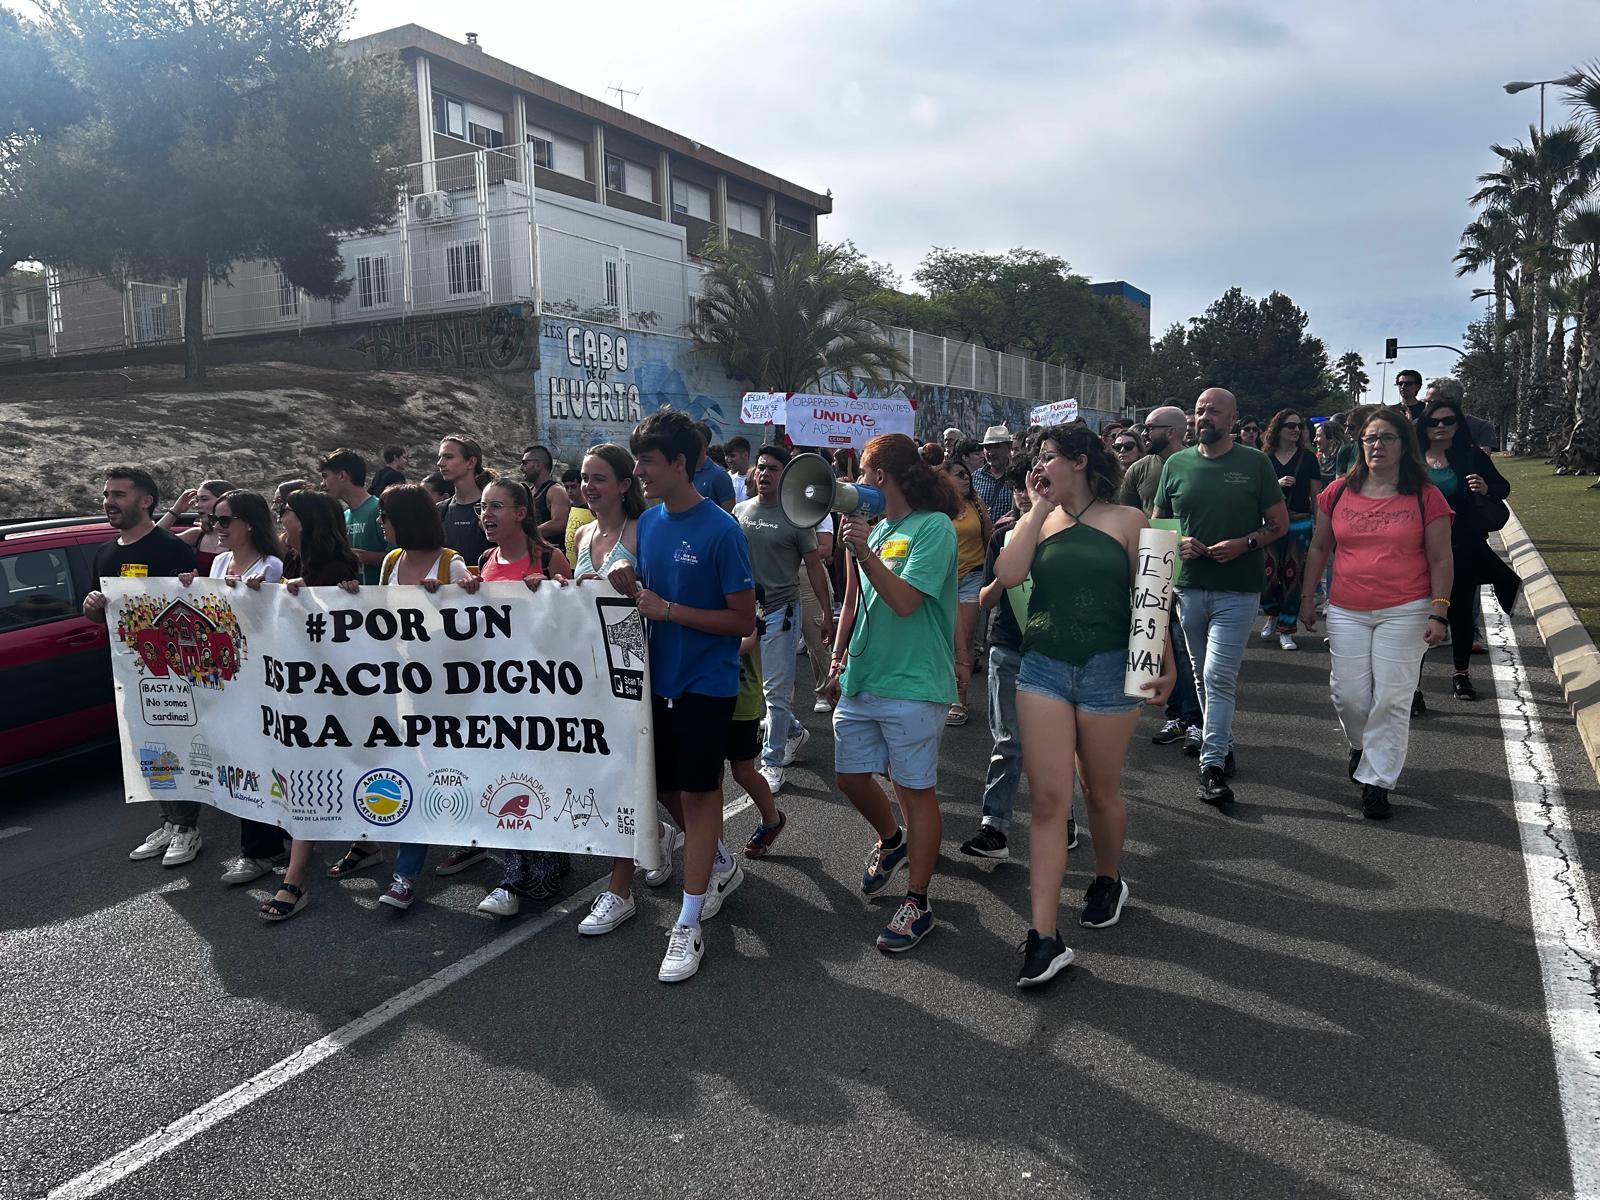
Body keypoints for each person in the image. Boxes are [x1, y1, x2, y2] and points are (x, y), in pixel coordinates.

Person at [996, 424, 1174, 986]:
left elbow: (1153, 598)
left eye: (1047, 457)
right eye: (1036, 458)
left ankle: (1107, 877)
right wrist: (1033, 509)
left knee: (1100, 790)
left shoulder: (1128, 520)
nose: (1038, 465)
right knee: (1049, 801)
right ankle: (1044, 937)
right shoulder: (1039, 520)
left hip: (1109, 670)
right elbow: (1008, 575)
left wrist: (1162, 663)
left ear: (1077, 460)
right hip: (1043, 666)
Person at [587, 412, 756, 984]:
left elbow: (740, 620)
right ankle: (718, 864)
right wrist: (631, 586)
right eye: (636, 462)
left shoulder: (723, 530)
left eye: (648, 462)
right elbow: (651, 598)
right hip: (655, 681)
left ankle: (687, 921)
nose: (639, 472)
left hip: (706, 685)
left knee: (700, 794)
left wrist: (670, 611)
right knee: (659, 787)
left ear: (681, 464)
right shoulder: (651, 525)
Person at [824, 433, 959, 954]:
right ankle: (893, 839)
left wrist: (861, 550)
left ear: (880, 476)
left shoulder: (935, 528)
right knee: (850, 777)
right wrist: (837, 660)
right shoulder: (879, 532)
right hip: (864, 676)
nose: (857, 483)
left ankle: (918, 902)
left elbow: (904, 601)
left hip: (914, 683)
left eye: (862, 472)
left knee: (913, 790)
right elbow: (854, 602)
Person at [1298, 408, 1454, 820]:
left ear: (1404, 445)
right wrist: (1307, 597)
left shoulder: (1426, 495)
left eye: (1388, 438)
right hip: (1348, 608)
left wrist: (1439, 611)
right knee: (1348, 695)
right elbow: (1319, 548)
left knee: (1392, 697)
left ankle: (1377, 782)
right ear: (1359, 444)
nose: (1378, 446)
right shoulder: (1337, 492)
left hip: (1406, 608)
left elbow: (1441, 557)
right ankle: (1361, 747)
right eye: (1371, 438)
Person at [336, 484, 474, 909]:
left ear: (406, 520)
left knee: (456, 769)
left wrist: (464, 593)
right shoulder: (393, 561)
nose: (380, 525)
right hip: (402, 690)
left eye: (386, 518)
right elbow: (380, 616)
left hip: (451, 695)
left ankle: (474, 839)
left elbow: (481, 624)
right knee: (412, 773)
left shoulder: (452, 564)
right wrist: (352, 597)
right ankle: (405, 873)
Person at [1153, 387, 1289, 807]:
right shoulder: (1176, 464)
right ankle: (1223, 742)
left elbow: (1278, 524)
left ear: (1232, 420)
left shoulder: (1255, 463)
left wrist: (1245, 543)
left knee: (1217, 676)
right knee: (1199, 674)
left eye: (1213, 410)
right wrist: (1178, 544)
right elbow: (1158, 525)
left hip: (1238, 589)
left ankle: (1210, 765)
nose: (1204, 416)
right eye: (1199, 410)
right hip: (1189, 586)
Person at [250, 491, 362, 921]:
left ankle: (294, 881)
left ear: (307, 521)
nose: (281, 519)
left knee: (310, 777)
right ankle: (368, 840)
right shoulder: (292, 563)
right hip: (300, 691)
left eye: (287, 513)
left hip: (328, 693)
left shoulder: (333, 567)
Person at [83, 466, 201, 867]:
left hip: (172, 674)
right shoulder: (104, 553)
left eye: (118, 494)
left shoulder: (171, 548)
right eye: (106, 494)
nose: (108, 502)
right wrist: (92, 608)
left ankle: (188, 827)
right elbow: (102, 614)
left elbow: (194, 612)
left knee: (176, 746)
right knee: (148, 750)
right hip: (128, 673)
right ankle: (168, 820)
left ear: (145, 500)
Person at [960, 473, 1081, 861]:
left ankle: (1062, 815)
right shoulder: (1003, 537)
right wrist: (1002, 578)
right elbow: (985, 601)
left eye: (1044, 485)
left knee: (1054, 744)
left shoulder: (1067, 535)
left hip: (1054, 651)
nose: (1030, 496)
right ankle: (994, 826)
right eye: (1024, 488)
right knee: (1008, 741)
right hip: (1008, 648)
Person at [172, 490, 290, 887]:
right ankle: (272, 840)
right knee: (240, 762)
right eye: (214, 520)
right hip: (227, 678)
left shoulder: (270, 564)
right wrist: (192, 586)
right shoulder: (222, 561)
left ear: (249, 523)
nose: (216, 527)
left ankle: (261, 849)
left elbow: (261, 621)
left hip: (260, 680)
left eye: (225, 521)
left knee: (256, 762)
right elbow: (210, 614)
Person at [473, 478, 575, 918]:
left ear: (520, 512)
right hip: (498, 695)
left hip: (545, 695)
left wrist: (552, 595)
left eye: (497, 506)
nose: (487, 515)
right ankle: (513, 872)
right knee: (506, 779)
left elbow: (577, 626)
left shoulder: (550, 559)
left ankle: (551, 861)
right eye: (482, 507)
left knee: (542, 778)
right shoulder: (484, 561)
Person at [735, 444, 835, 792]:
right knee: (762, 693)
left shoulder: (796, 519)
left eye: (773, 468)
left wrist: (825, 614)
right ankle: (793, 731)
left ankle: (772, 762)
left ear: (785, 475)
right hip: (746, 614)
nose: (764, 474)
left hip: (782, 613)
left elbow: (814, 567)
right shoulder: (739, 511)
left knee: (775, 693)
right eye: (761, 467)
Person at [1416, 393, 1519, 703]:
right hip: (1417, 546)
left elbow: (1503, 487)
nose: (1441, 426)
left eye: (1449, 420)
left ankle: (1461, 674)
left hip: (1462, 544)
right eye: (1434, 421)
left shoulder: (1471, 455)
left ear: (1458, 425)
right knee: (1418, 614)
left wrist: (1486, 488)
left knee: (1458, 611)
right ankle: (1412, 686)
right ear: (1425, 426)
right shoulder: (1412, 457)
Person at [1116, 405, 1204, 751]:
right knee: (1157, 644)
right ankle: (1176, 716)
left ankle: (1198, 721)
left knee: (1186, 651)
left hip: (1192, 569)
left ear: (1172, 431)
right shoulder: (1139, 468)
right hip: (1152, 565)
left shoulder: (1197, 462)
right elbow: (1123, 512)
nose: (1142, 435)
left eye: (1150, 428)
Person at [1258, 408, 1323, 651]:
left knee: (1293, 575)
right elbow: (1255, 491)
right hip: (1271, 523)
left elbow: (1316, 495)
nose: (1296, 430)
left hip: (1300, 521)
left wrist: (1319, 526)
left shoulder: (1307, 458)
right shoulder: (1264, 457)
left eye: (1299, 426)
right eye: (1290, 426)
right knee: (1268, 574)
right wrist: (1276, 484)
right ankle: (1272, 615)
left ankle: (1287, 628)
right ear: (1278, 428)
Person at [735, 589, 787, 858]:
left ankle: (772, 820)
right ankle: (715, 852)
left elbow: (748, 639)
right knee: (710, 780)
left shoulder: (751, 589)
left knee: (743, 772)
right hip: (705, 694)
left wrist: (702, 641)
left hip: (742, 697)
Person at [942, 457, 992, 726]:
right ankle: (945, 689)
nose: (966, 478)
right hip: (942, 579)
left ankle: (960, 699)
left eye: (967, 475)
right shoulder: (935, 506)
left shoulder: (976, 503)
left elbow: (988, 535)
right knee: (948, 638)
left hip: (973, 575)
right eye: (959, 474)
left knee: (965, 635)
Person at [318, 448, 388, 585]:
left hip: (381, 600)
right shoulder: (344, 516)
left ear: (342, 476)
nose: (322, 484)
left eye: (325, 476)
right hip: (355, 600)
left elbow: (398, 556)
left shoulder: (378, 508)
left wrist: (356, 555)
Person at [436, 433, 494, 568]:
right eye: (439, 457)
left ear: (471, 462)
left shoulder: (494, 509)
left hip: (489, 585)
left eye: (448, 457)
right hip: (448, 586)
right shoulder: (438, 510)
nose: (440, 463)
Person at [157, 479, 234, 576]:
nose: (197, 505)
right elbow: (152, 540)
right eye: (197, 500)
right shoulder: (197, 535)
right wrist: (176, 510)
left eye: (204, 499)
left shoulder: (240, 537)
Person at [1424, 377, 1498, 450]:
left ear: (1449, 401)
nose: (1427, 406)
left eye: (1431, 402)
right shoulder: (1417, 426)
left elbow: (1482, 460)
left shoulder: (1481, 427)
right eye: (1426, 402)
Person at [689, 420, 736, 512]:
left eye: (694, 441)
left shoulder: (720, 476)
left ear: (705, 445)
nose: (689, 445)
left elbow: (729, 516)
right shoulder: (681, 472)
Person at [972, 426, 1014, 523]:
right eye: (988, 447)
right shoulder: (976, 477)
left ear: (1008, 448)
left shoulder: (1018, 475)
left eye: (997, 447)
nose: (991, 452)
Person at [724, 436, 752, 502]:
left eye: (733, 456)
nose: (729, 460)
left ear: (745, 455)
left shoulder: (757, 479)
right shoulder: (727, 478)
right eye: (727, 456)